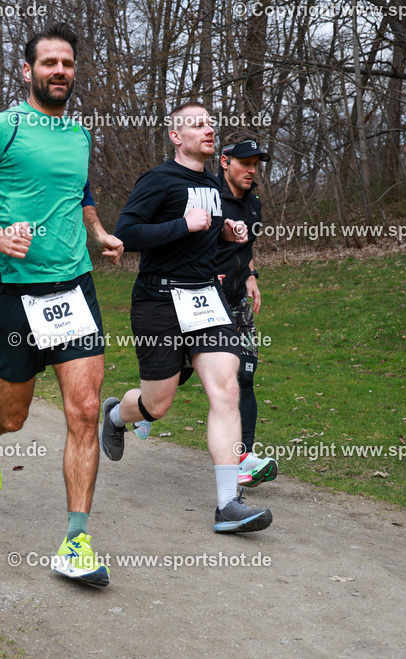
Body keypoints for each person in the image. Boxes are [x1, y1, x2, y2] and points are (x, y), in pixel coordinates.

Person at [0, 23, 123, 586]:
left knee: (86, 410)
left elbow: (81, 191)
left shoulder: (80, 134)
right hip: (9, 295)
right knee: (12, 416)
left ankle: (77, 540)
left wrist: (98, 231)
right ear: (28, 71)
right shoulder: (2, 128)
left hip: (72, 287)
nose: (60, 71)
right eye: (49, 63)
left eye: (67, 63)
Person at [99, 102, 273, 534]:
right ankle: (117, 416)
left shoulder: (215, 185)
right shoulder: (159, 180)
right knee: (157, 403)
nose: (209, 129)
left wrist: (225, 235)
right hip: (159, 301)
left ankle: (228, 504)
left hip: (206, 300)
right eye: (197, 124)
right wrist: (185, 225)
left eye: (211, 122)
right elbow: (128, 233)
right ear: (177, 137)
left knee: (226, 387)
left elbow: (203, 243)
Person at [213, 133, 277, 488]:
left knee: (245, 375)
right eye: (245, 163)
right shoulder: (208, 197)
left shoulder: (252, 204)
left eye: (256, 165)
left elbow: (246, 247)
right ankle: (134, 410)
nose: (251, 170)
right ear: (225, 162)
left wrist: (251, 273)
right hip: (204, 299)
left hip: (236, 300)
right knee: (175, 376)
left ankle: (244, 457)